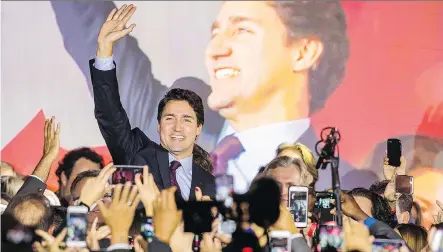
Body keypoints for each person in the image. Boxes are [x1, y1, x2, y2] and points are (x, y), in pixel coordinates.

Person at [53, 1, 377, 193]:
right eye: (214, 33)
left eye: (242, 30)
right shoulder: (164, 141)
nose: (214, 50)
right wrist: (104, 51)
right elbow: (111, 111)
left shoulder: (340, 184)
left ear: (304, 52)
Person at [90, 5, 215, 200]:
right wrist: (104, 52)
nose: (177, 127)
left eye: (187, 120)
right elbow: (110, 115)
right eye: (170, 118)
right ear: (158, 125)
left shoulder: (210, 184)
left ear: (199, 128)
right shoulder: (138, 157)